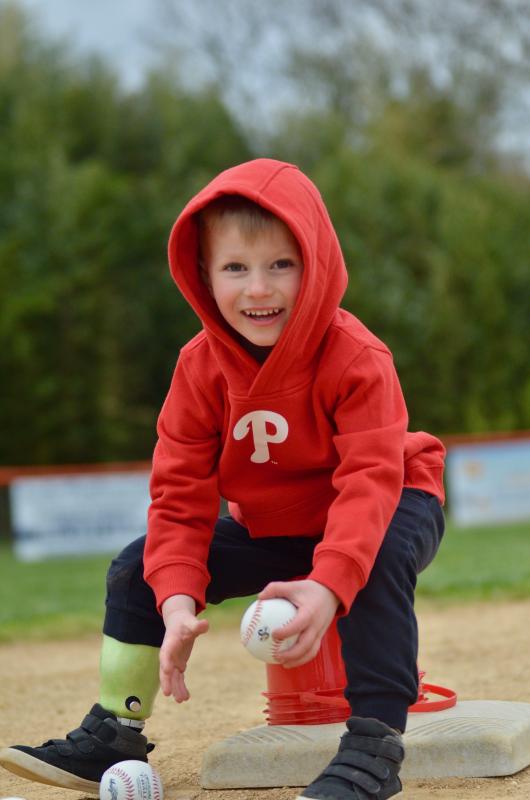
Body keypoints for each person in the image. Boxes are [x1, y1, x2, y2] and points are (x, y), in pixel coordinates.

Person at [0, 159, 446, 800]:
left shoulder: (358, 357)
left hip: (392, 502)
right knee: (137, 567)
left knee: (371, 561)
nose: (258, 289)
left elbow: (369, 482)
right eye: (235, 268)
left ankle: (374, 748)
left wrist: (328, 586)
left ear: (315, 266)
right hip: (275, 524)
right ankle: (113, 733)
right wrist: (178, 602)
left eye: (280, 265)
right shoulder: (199, 368)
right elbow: (178, 500)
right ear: (203, 277)